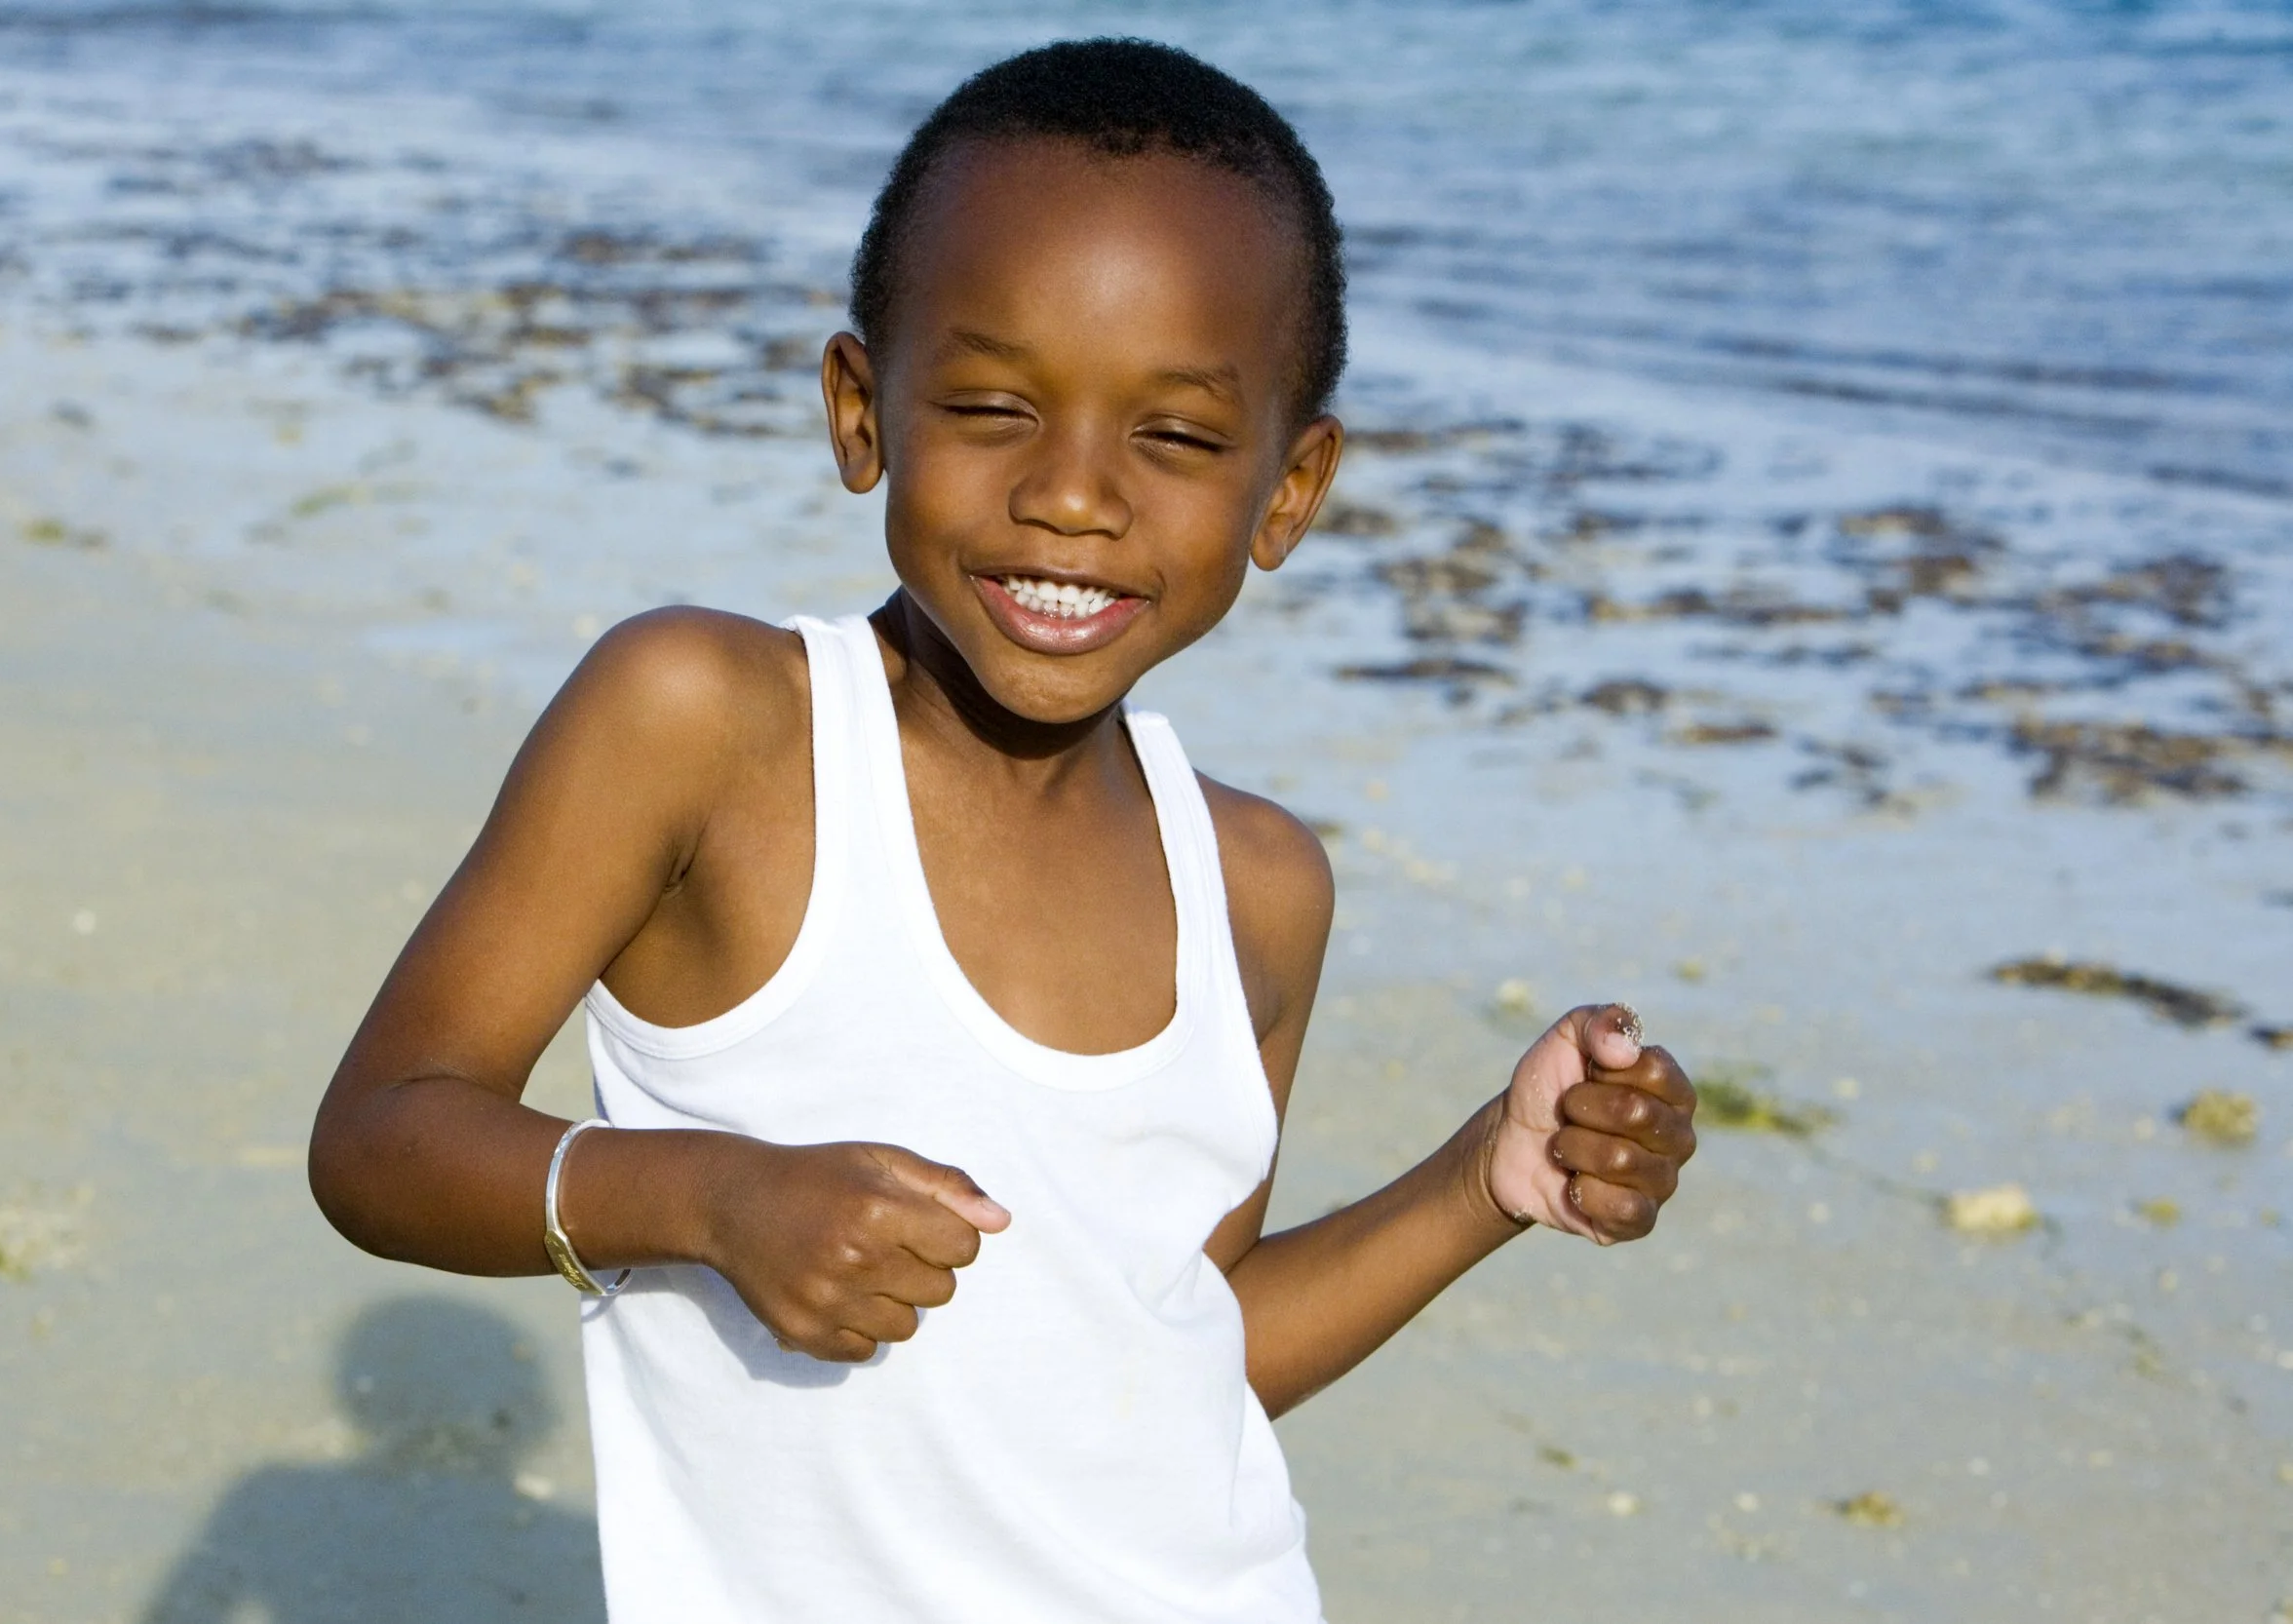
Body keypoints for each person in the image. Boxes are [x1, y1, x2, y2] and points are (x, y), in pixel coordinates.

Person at [309, 37, 1697, 1624]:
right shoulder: (707, 725)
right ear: (861, 410)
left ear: (1290, 488)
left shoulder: (1253, 885)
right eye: (989, 406)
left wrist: (1482, 1183)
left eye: (1173, 437)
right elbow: (380, 1137)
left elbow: (1171, 1353)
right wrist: (706, 1200)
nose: (1073, 497)